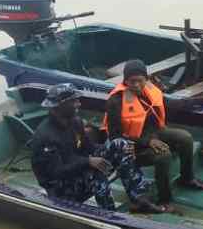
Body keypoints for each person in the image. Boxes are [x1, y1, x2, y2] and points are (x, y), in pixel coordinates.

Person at [30, 83, 166, 212]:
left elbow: (89, 148)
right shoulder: (45, 136)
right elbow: (56, 172)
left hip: (77, 170)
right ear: (60, 105)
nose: (79, 104)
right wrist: (88, 162)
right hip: (60, 188)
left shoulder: (75, 122)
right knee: (94, 173)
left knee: (120, 144)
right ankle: (109, 215)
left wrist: (114, 151)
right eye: (74, 101)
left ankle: (140, 200)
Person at [103, 60, 203, 211]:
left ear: (146, 79)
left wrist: (197, 101)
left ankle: (187, 178)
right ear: (125, 81)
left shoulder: (150, 90)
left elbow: (169, 103)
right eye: (131, 81)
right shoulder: (116, 101)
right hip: (133, 146)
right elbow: (115, 137)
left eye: (140, 81)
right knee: (163, 155)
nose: (136, 85)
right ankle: (164, 199)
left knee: (185, 138)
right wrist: (148, 142)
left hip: (154, 133)